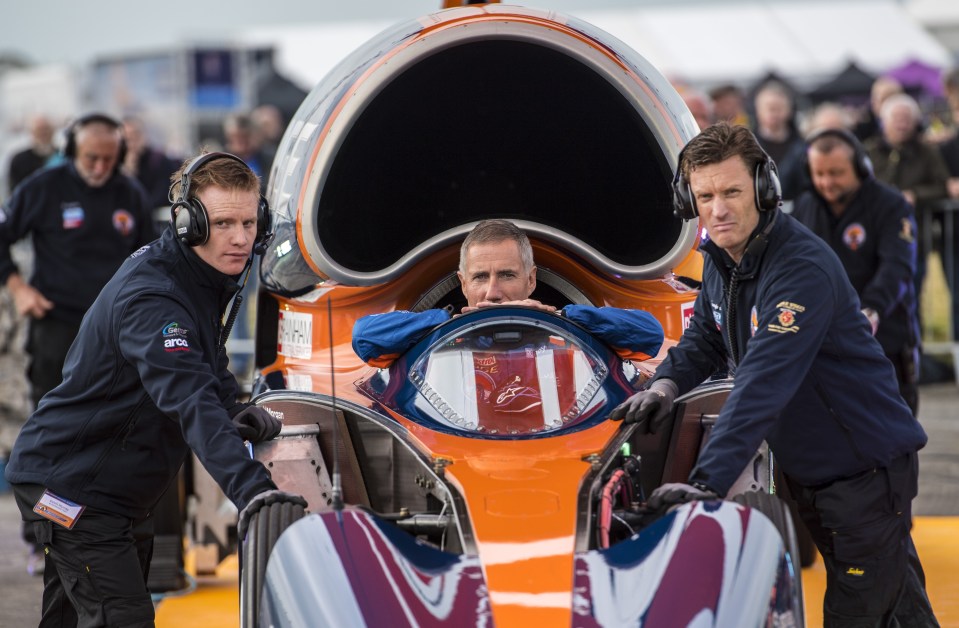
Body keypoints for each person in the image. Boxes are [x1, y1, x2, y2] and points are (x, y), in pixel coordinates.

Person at [611, 122, 937, 626]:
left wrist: (705, 484)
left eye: (732, 192)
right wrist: (664, 385)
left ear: (764, 190)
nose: (718, 209)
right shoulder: (722, 258)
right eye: (705, 195)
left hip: (864, 476)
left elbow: (762, 381)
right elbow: (707, 336)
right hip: (821, 474)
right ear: (687, 199)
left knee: (857, 613)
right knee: (902, 612)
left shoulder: (800, 268)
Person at [3, 151, 305, 627]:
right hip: (72, 489)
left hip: (103, 489)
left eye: (249, 222)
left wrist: (234, 409)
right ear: (190, 223)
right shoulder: (154, 297)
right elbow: (190, 400)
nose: (242, 238)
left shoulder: (194, 275)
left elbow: (207, 367)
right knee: (123, 617)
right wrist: (254, 492)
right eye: (224, 223)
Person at [0, 112, 156, 576]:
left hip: (115, 335)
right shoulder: (44, 188)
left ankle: (97, 530)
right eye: (91, 157)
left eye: (109, 158)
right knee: (51, 433)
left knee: (112, 430)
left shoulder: (129, 193)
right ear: (72, 150)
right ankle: (39, 538)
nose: (100, 167)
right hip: (57, 325)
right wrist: (19, 289)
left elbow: (151, 258)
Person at [352, 219, 664, 368]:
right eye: (479, 277)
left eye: (506, 275)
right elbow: (365, 338)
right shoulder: (437, 327)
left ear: (531, 280)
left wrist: (563, 318)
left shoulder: (569, 326)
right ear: (462, 284)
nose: (493, 292)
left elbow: (649, 334)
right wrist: (445, 321)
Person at [793, 128, 921, 414]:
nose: (827, 182)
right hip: (824, 343)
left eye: (836, 173)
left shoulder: (891, 205)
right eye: (820, 173)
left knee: (893, 428)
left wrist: (872, 309)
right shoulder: (806, 205)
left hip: (886, 338)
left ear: (861, 168)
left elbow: (897, 266)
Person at [865, 93, 950, 306]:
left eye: (907, 118)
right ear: (884, 121)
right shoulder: (869, 151)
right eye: (897, 118)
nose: (901, 124)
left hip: (914, 234)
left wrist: (916, 195)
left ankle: (911, 336)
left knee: (910, 289)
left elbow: (943, 186)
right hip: (873, 233)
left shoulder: (927, 152)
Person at [121, 115, 182, 227]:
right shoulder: (116, 165)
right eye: (126, 139)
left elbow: (162, 196)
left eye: (135, 136)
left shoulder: (158, 161)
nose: (131, 143)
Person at [752, 81, 805, 204]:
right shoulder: (746, 145)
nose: (774, 113)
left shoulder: (802, 146)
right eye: (770, 108)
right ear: (758, 110)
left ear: (789, 110)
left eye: (779, 108)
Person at [7, 114, 56, 195]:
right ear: (31, 133)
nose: (43, 134)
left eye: (46, 129)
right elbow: (14, 192)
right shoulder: (19, 160)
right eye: (39, 130)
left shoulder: (64, 155)